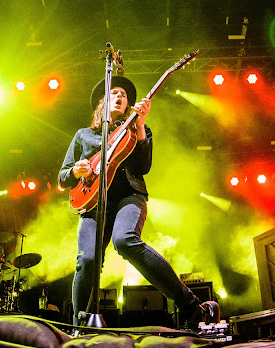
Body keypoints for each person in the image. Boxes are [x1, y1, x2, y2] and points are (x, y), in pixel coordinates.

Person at [58, 75, 219, 329]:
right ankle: (80, 327)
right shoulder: (83, 136)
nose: (121, 96)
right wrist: (75, 171)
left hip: (128, 196)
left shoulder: (136, 131)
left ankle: (191, 307)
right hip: (92, 202)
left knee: (125, 240)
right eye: (115, 92)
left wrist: (141, 126)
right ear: (103, 102)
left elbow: (143, 167)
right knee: (87, 260)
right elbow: (62, 176)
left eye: (124, 95)